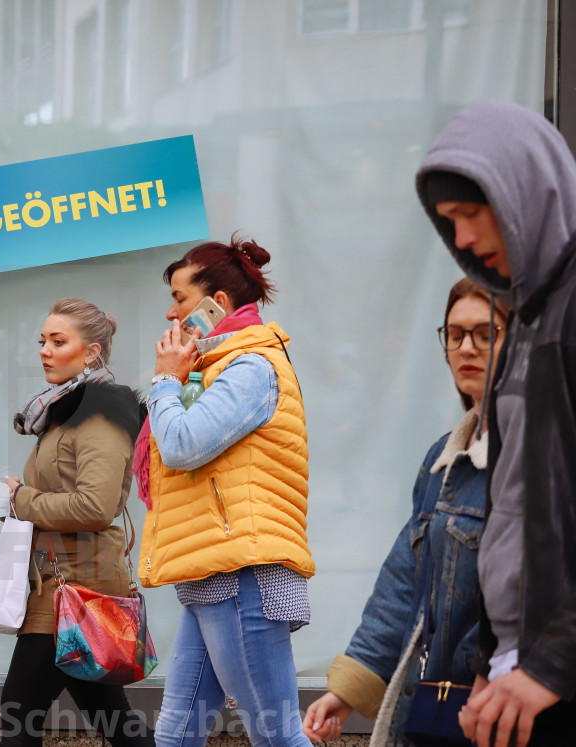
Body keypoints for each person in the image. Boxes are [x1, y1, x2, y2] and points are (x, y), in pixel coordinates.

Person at [414, 99, 576, 747]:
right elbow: (514, 513)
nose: (463, 242)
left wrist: (552, 661)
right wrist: (494, 659)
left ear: (522, 194)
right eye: (448, 223)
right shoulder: (531, 318)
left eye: (472, 215)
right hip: (524, 671)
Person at [302, 278, 509, 744]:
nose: (466, 347)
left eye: (485, 333)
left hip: (505, 707)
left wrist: (489, 673)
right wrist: (349, 688)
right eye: (455, 335)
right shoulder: (443, 458)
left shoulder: (534, 456)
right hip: (438, 705)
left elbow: (536, 588)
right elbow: (404, 581)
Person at [137, 236, 313, 747]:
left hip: (241, 574)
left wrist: (166, 381)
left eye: (181, 298)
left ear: (220, 305)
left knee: (277, 735)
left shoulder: (250, 366)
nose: (171, 312)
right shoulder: (218, 368)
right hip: (215, 570)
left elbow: (182, 445)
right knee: (175, 734)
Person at [0, 298, 152, 747]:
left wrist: (21, 499)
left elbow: (95, 506)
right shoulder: (63, 414)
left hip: (77, 587)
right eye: (42, 340)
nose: (45, 349)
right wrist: (18, 498)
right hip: (64, 582)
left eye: (58, 341)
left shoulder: (100, 416)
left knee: (19, 713)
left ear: (93, 352)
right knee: (112, 719)